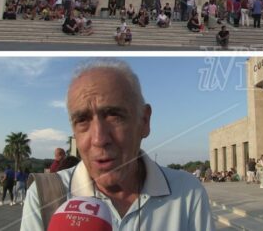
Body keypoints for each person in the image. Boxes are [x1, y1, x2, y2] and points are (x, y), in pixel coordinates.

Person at [21, 60, 214, 230]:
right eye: (82, 120)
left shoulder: (188, 192)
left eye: (114, 116)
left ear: (144, 121)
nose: (99, 138)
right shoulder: (43, 195)